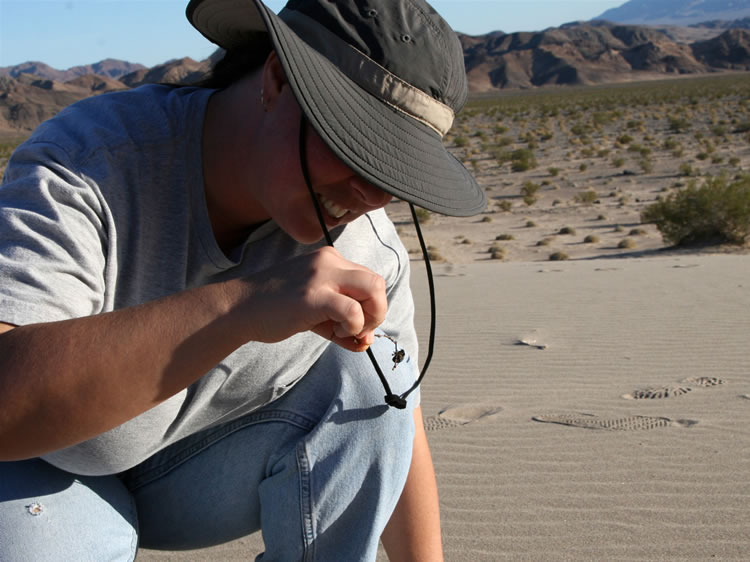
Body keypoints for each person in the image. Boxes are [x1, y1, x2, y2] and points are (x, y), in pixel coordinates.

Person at [0, 0, 486, 559]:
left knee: (373, 379)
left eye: (393, 173)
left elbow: (396, 423)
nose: (374, 197)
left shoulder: (365, 247)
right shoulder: (91, 163)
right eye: (357, 148)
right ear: (277, 79)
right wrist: (242, 306)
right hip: (33, 463)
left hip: (189, 481)